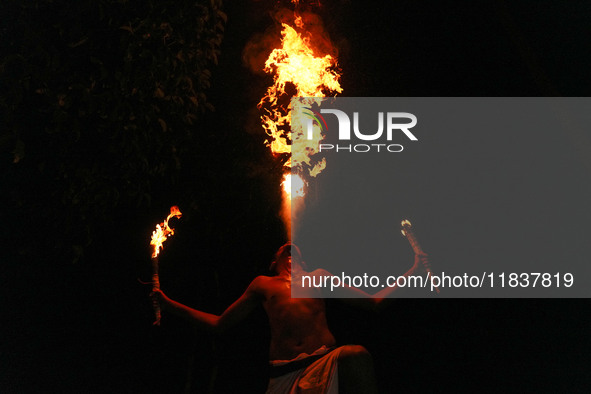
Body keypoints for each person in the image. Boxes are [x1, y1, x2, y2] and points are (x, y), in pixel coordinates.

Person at [152, 242, 431, 393]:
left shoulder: (319, 277)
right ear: (274, 264)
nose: (290, 250)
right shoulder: (263, 284)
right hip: (283, 373)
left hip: (324, 362)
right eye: (284, 251)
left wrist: (415, 270)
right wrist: (169, 305)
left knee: (356, 354)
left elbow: (375, 302)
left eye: (295, 251)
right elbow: (219, 324)